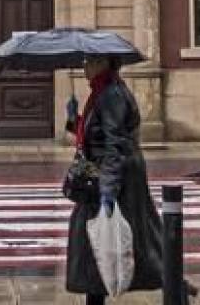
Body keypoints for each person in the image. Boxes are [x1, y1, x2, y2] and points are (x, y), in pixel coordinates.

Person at [64, 54, 174, 303]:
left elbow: (116, 143)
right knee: (101, 243)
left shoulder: (111, 94)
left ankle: (176, 285)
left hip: (115, 178)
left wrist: (109, 190)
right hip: (106, 175)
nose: (85, 66)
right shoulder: (102, 91)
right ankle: (174, 283)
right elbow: (98, 134)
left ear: (104, 63)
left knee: (123, 242)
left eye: (90, 61)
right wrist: (74, 120)